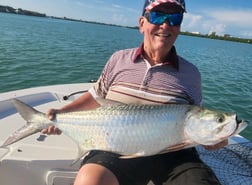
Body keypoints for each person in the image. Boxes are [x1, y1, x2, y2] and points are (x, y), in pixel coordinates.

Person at [43, 0, 227, 184]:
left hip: (174, 153)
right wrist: (61, 114)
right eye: (158, 16)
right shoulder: (118, 59)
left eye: (175, 18)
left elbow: (196, 119)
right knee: (91, 181)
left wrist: (212, 138)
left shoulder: (191, 73)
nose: (165, 24)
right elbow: (95, 96)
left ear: (179, 27)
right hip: (116, 146)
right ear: (141, 23)